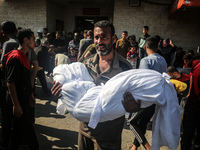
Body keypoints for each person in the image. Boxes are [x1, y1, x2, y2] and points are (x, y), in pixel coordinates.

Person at [51, 20, 140, 150]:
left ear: (113, 39)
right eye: (96, 37)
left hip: (109, 134)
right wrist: (60, 93)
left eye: (104, 36)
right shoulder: (87, 63)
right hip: (85, 130)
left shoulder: (124, 67)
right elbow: (75, 89)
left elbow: (135, 98)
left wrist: (133, 107)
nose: (99, 41)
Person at [127, 37, 167, 150]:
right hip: (157, 97)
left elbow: (143, 81)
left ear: (145, 47)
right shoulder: (163, 60)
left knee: (131, 122)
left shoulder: (145, 60)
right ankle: (134, 146)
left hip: (146, 98)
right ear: (158, 47)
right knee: (142, 123)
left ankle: (148, 147)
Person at [4, 28, 39, 150]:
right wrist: (16, 105)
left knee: (17, 132)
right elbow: (10, 83)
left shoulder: (23, 56)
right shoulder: (16, 57)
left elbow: (24, 80)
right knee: (30, 134)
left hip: (23, 98)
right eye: (33, 39)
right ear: (26, 40)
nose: (35, 42)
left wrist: (30, 95)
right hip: (18, 100)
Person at [0, 21, 19, 149]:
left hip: (8, 84)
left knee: (6, 117)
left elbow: (2, 65)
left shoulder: (8, 44)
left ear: (3, 32)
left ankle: (5, 143)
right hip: (21, 84)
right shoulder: (22, 42)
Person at [181, 60, 200, 150]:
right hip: (192, 104)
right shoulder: (196, 63)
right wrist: (189, 92)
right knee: (187, 135)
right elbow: (192, 75)